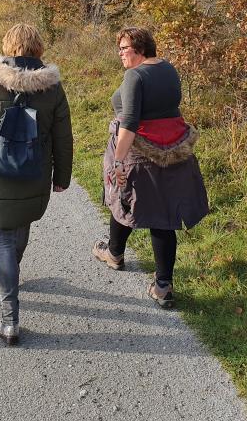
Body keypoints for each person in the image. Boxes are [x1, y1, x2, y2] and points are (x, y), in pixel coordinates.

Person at [0, 23, 73, 345]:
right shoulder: (52, 88)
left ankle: (9, 319)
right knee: (19, 230)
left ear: (8, 47)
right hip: (34, 176)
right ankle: (12, 275)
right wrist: (62, 177)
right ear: (38, 49)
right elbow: (63, 136)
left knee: (2, 241)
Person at [92, 27, 208, 308]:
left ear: (140, 49)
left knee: (122, 198)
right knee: (163, 215)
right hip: (173, 147)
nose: (120, 53)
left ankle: (115, 254)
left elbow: (129, 121)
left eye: (124, 48)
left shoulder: (135, 75)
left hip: (139, 150)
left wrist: (118, 160)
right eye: (119, 48)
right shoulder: (168, 68)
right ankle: (163, 286)